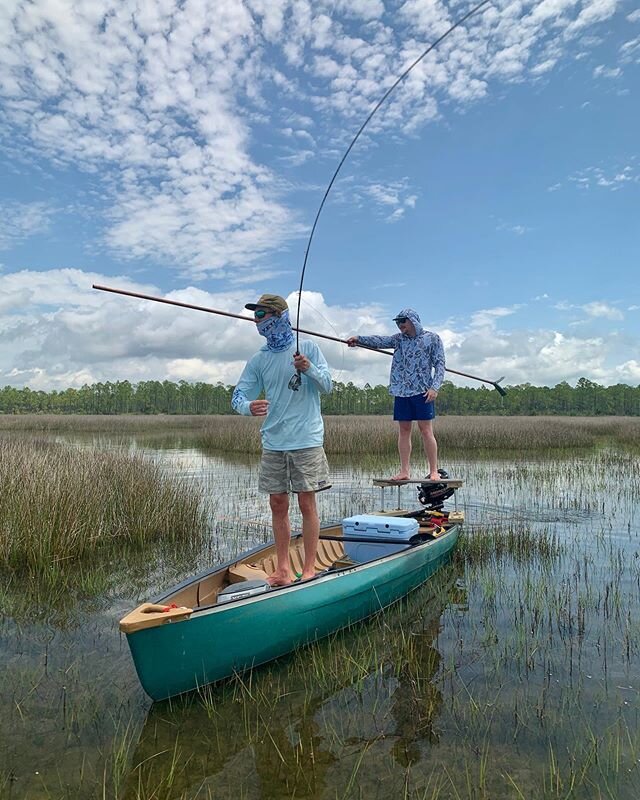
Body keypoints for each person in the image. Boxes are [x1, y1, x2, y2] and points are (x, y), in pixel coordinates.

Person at [232, 293, 332, 586]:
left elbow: (327, 385)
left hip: (306, 439)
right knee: (277, 503)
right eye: (255, 316)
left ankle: (310, 568)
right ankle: (284, 569)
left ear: (280, 316)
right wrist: (248, 407)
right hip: (274, 442)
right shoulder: (259, 359)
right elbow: (238, 395)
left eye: (262, 315)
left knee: (307, 503)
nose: (257, 321)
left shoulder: (308, 348)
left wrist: (308, 368)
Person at [346, 308, 445, 481]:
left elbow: (440, 364)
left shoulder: (432, 338)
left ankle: (434, 470)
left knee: (426, 430)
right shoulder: (398, 340)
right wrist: (359, 339)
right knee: (404, 430)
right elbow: (379, 340)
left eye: (403, 322)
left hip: (423, 391)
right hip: (401, 391)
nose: (400, 325)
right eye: (397, 322)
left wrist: (435, 387)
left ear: (413, 321)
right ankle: (405, 471)